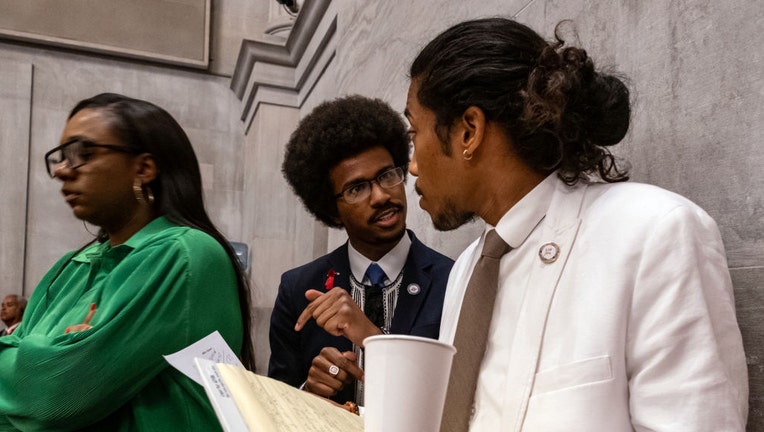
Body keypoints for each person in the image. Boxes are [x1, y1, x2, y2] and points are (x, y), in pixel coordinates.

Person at [405, 18, 748, 432]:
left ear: (469, 131)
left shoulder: (654, 232)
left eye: (414, 133)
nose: (412, 165)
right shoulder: (467, 270)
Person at [0, 93, 255, 431]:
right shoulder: (69, 266)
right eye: (60, 157)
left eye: (83, 154)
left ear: (144, 168)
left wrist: (39, 356)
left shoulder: (184, 253)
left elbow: (53, 397)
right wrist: (47, 358)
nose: (62, 170)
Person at [269, 95, 454, 406]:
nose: (381, 196)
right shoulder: (299, 288)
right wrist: (310, 390)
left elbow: (456, 398)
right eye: (357, 189)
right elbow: (276, 403)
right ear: (331, 209)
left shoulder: (451, 280)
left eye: (387, 176)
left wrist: (372, 338)